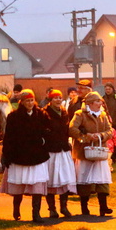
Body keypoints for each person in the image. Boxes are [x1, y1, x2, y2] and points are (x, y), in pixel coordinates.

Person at [0, 89, 50, 223]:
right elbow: (9, 137)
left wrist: (44, 140)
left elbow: (48, 131)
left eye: (32, 100)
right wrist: (7, 155)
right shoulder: (13, 117)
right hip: (19, 156)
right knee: (19, 186)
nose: (30, 103)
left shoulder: (41, 114)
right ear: (22, 102)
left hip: (37, 156)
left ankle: (36, 214)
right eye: (27, 100)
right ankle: (16, 210)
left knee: (37, 185)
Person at [69, 91, 113, 217]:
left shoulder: (103, 115)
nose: (100, 103)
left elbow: (109, 130)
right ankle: (84, 207)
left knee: (102, 180)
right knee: (85, 180)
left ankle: (103, 207)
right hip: (84, 153)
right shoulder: (79, 114)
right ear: (90, 103)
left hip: (100, 152)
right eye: (98, 101)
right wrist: (87, 137)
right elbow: (72, 129)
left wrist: (101, 136)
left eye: (100, 101)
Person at [41, 89, 76, 218]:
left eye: (60, 97)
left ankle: (64, 207)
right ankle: (52, 208)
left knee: (65, 179)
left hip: (63, 149)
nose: (58, 100)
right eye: (55, 98)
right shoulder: (45, 113)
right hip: (51, 150)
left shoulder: (64, 112)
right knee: (51, 180)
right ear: (50, 100)